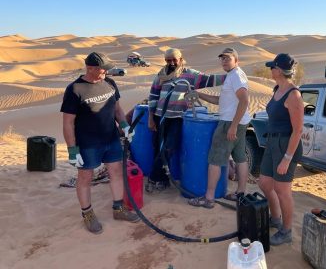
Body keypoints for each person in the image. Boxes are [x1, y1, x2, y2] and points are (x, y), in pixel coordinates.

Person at [61, 52, 140, 235]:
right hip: (87, 143)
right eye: (104, 68)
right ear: (90, 68)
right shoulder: (75, 89)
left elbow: (117, 110)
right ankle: (88, 214)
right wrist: (73, 149)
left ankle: (118, 209)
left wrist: (125, 126)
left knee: (116, 172)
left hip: (111, 139)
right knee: (85, 178)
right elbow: (67, 123)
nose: (108, 71)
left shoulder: (110, 83)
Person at [146, 48, 226, 193]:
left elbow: (210, 79)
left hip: (178, 118)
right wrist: (151, 118)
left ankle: (154, 177)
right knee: (158, 147)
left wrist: (231, 75)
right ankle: (162, 179)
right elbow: (153, 96)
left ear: (181, 59)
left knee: (169, 148)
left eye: (174, 59)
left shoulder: (190, 75)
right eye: (168, 60)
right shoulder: (161, 75)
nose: (171, 63)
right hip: (161, 117)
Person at [188, 47, 250, 209]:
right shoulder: (234, 75)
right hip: (240, 122)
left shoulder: (236, 76)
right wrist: (199, 94)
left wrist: (233, 126)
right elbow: (219, 101)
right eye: (222, 58)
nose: (224, 61)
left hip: (230, 123)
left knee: (215, 160)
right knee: (240, 158)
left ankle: (209, 198)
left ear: (236, 60)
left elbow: (244, 101)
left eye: (227, 58)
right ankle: (240, 193)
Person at [257, 53, 304, 246]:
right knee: (264, 183)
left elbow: (298, 130)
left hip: (286, 145)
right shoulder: (277, 89)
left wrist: (287, 157)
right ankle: (275, 218)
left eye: (272, 67)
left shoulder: (293, 95)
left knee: (282, 189)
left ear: (279, 70)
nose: (270, 70)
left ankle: (286, 230)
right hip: (272, 142)